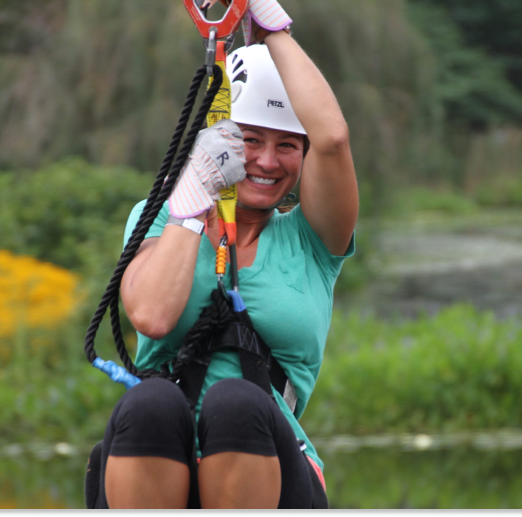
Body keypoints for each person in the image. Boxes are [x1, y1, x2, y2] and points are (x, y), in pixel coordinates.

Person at [96, 0, 358, 509]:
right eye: (250, 139)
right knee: (150, 400)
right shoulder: (160, 217)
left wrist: (272, 29)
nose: (265, 160)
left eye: (287, 146)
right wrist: (192, 204)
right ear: (218, 136)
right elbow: (151, 314)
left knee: (238, 401)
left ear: (303, 156)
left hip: (272, 468)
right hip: (158, 454)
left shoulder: (312, 240)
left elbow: (333, 139)